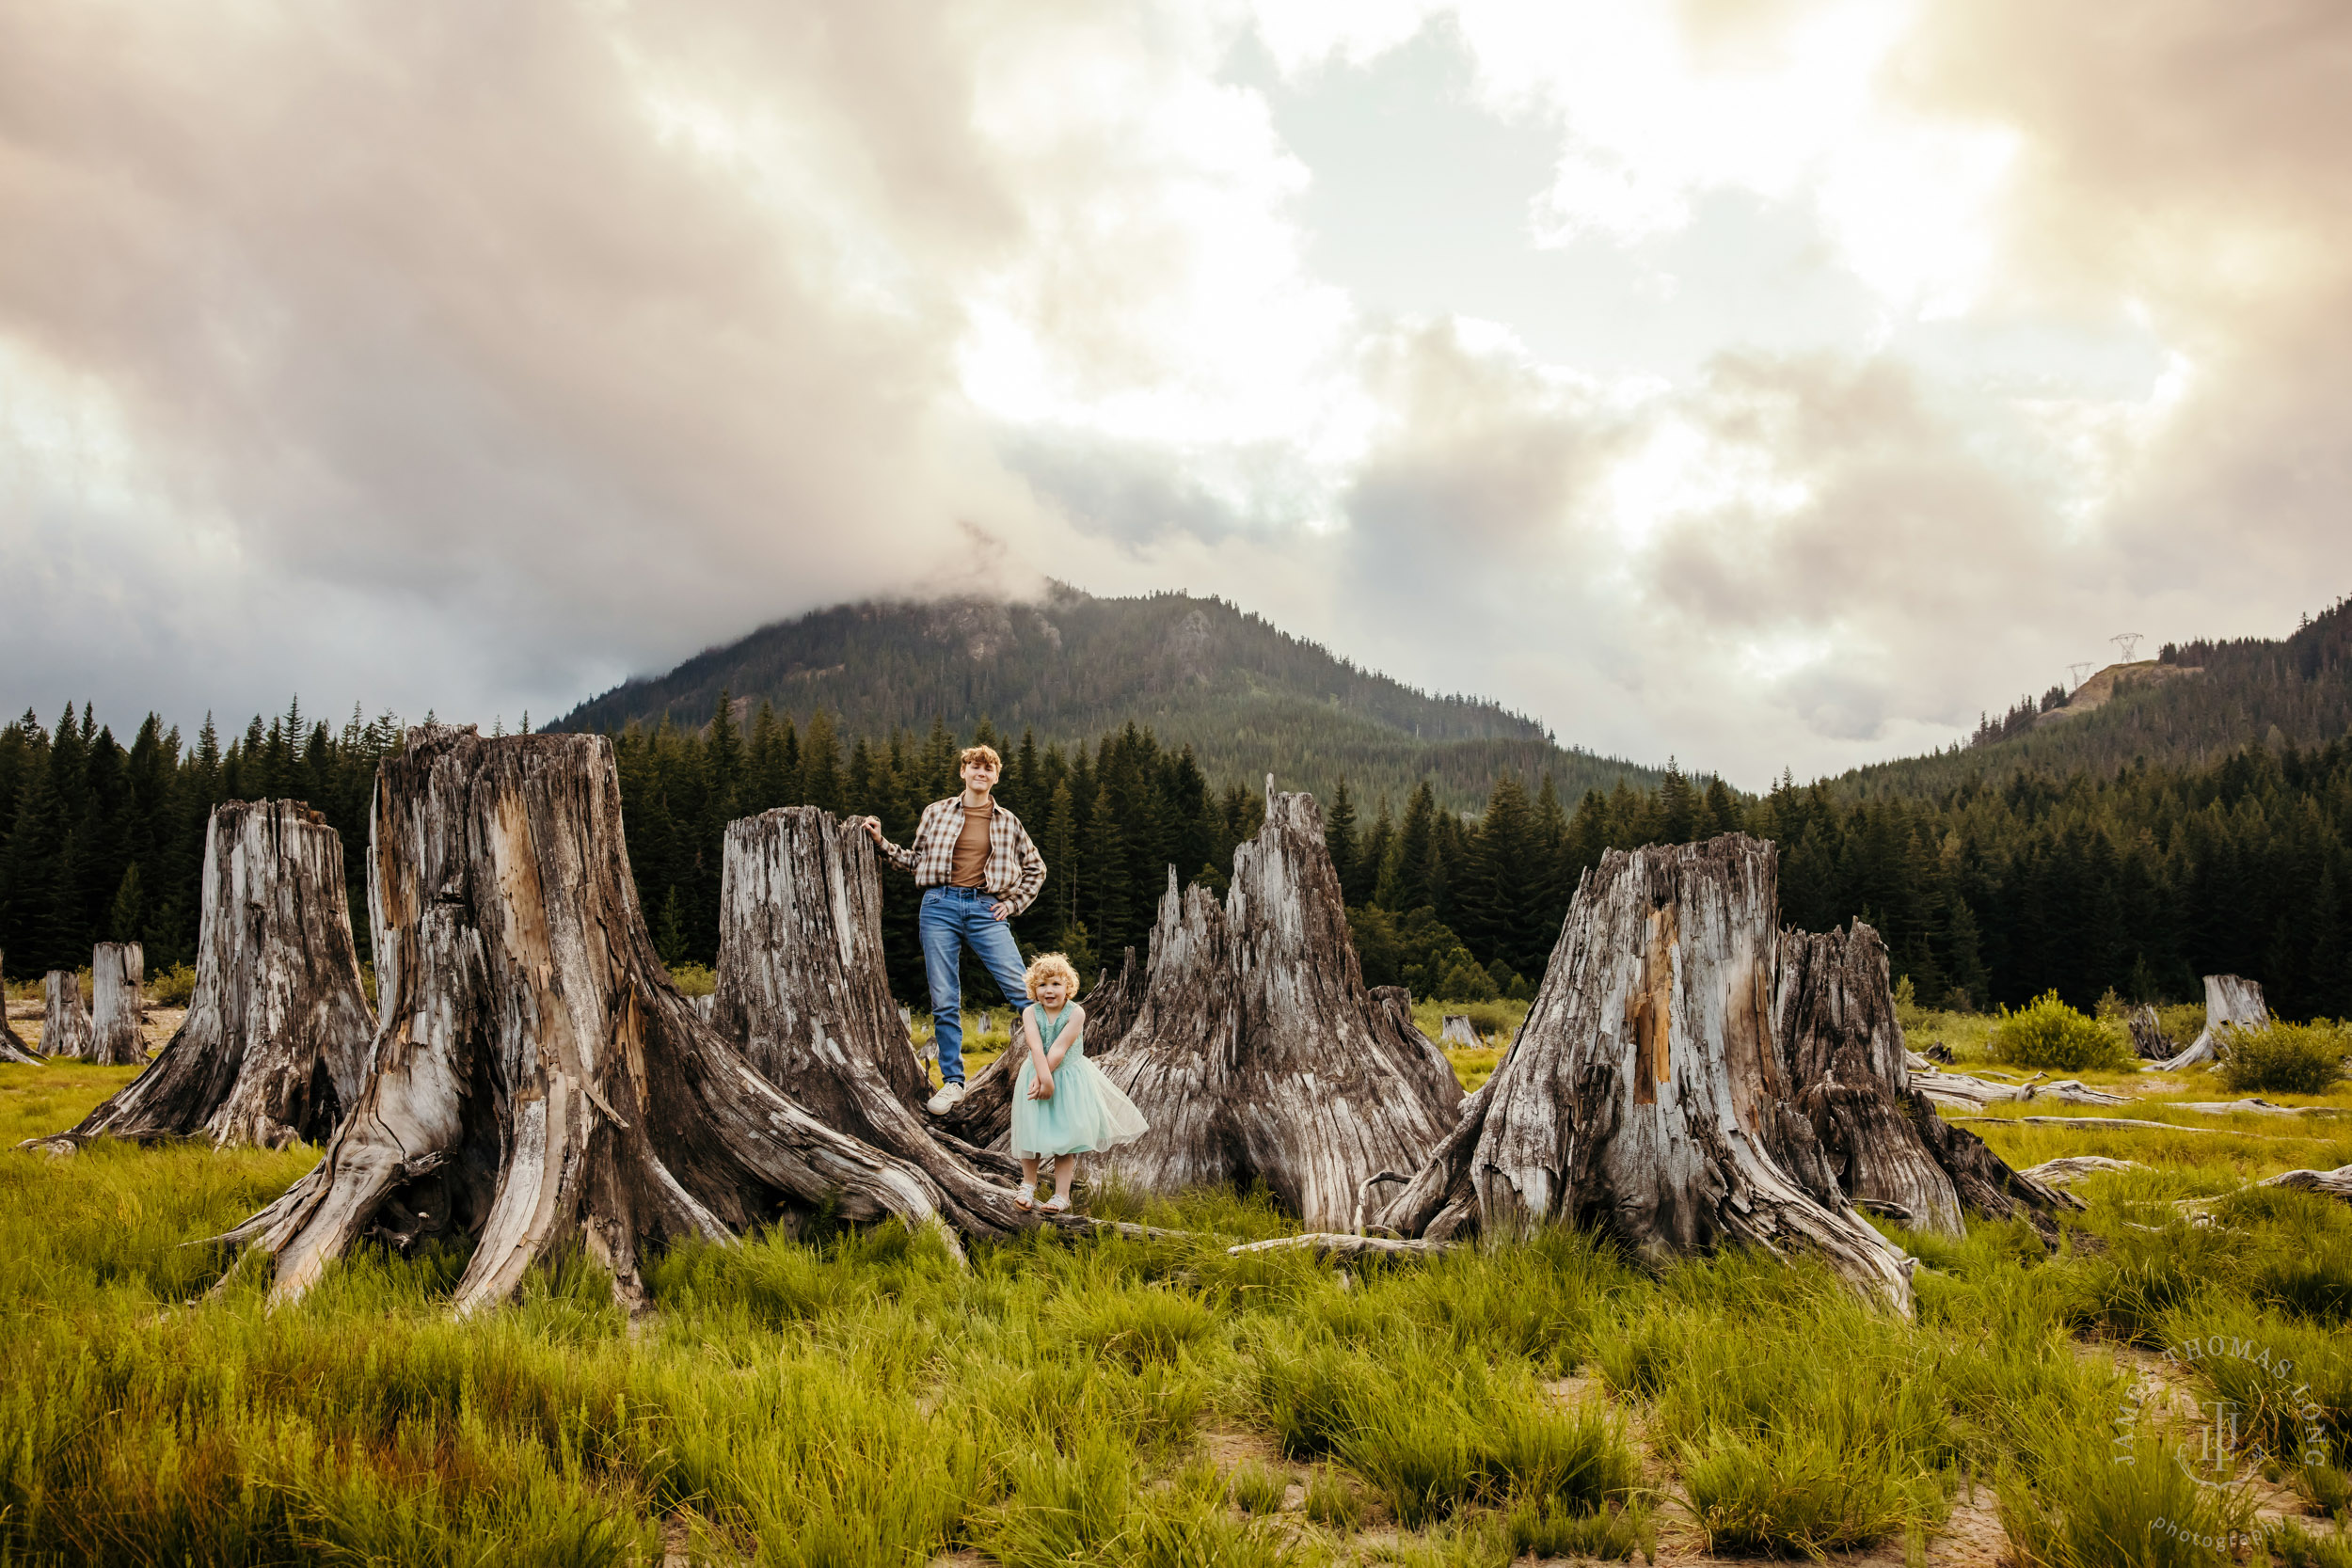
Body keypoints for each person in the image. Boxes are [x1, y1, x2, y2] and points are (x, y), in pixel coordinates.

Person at [862, 744, 1047, 1114]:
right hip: (939, 906)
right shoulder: (937, 812)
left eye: (988, 768)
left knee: (1021, 989)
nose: (981, 773)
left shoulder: (1008, 821)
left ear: (996, 776)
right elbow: (917, 861)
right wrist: (882, 843)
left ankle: (1055, 1065)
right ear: (963, 772)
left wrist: (1011, 904)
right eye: (974, 767)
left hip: (985, 908)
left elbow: (1036, 869)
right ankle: (953, 1084)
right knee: (944, 999)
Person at [1008, 952, 1148, 1211]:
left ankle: (1062, 1195)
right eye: (1042, 985)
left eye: (1056, 984)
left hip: (1068, 1080)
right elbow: (1036, 1046)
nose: (1049, 991)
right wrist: (1042, 1079)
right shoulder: (1030, 1013)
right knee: (1030, 1134)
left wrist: (1049, 1081)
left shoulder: (1076, 1013)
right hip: (1036, 1074)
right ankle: (1028, 1184)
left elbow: (1059, 1048)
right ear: (1033, 989)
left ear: (1067, 987)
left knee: (1066, 1140)